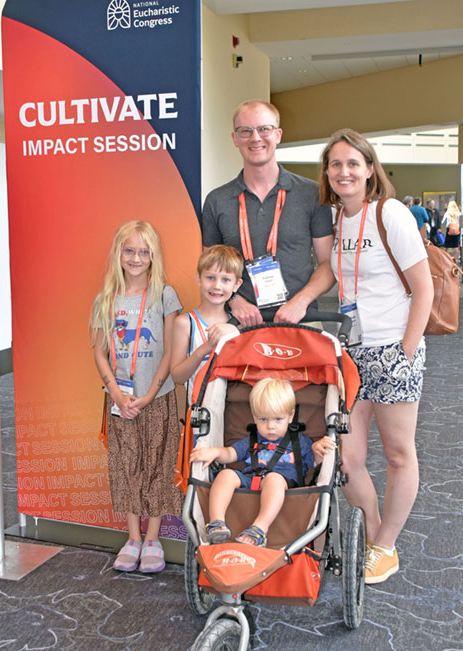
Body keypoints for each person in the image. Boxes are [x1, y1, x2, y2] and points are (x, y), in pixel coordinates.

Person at [319, 129, 433, 585]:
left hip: (392, 349)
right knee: (348, 458)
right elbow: (332, 275)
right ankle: (370, 532)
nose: (344, 171)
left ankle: (386, 545)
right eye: (335, 164)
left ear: (370, 168)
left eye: (353, 163)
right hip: (351, 350)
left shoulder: (391, 213)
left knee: (399, 453)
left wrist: (405, 352)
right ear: (327, 173)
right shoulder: (335, 222)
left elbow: (423, 288)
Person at [90, 220, 183, 573]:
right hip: (120, 401)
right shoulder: (106, 299)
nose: (136, 258)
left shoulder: (165, 295)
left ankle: (154, 538)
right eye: (129, 250)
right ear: (118, 253)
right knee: (126, 466)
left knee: (158, 464)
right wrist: (116, 392)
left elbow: (172, 351)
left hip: (157, 397)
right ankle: (132, 537)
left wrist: (150, 393)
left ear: (153, 256)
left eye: (144, 251)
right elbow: (99, 352)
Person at [202, 100, 334, 327]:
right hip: (239, 322)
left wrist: (301, 302)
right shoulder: (217, 200)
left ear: (278, 134)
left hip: (302, 319)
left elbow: (328, 263)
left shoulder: (312, 194)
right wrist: (234, 300)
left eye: (264, 129)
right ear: (235, 138)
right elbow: (209, 267)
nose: (255, 138)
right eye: (246, 131)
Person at [190, 378, 335, 547]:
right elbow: (230, 453)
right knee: (225, 475)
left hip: (284, 488)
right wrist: (214, 452)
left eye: (278, 419)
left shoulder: (300, 442)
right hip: (250, 481)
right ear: (254, 418)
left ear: (290, 416)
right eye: (263, 420)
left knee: (273, 479)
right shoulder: (252, 440)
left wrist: (318, 449)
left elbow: (317, 465)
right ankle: (216, 523)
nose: (270, 427)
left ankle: (260, 528)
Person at [171, 245, 244, 404]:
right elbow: (177, 377)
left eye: (225, 280)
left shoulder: (238, 325)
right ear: (198, 278)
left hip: (234, 414)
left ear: (237, 285)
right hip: (200, 419)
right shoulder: (185, 323)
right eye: (210, 277)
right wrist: (206, 348)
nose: (217, 286)